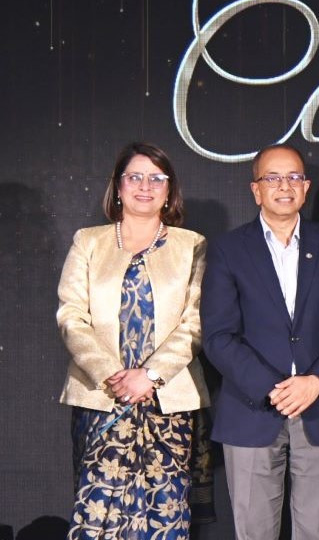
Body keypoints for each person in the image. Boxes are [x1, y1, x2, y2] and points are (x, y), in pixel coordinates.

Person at [201, 144, 319, 540]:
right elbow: (219, 336)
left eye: (293, 177)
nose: (284, 186)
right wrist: (272, 388)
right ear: (256, 189)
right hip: (251, 410)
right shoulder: (228, 250)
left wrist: (316, 381)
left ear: (306, 187)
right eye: (272, 178)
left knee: (317, 533)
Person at [58, 142, 210, 538]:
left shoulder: (192, 245)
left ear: (170, 190)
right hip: (102, 398)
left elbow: (196, 321)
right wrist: (113, 375)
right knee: (97, 514)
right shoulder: (88, 241)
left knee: (164, 515)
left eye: (156, 178)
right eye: (135, 177)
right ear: (118, 186)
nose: (145, 186)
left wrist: (149, 376)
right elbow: (71, 315)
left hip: (167, 402)